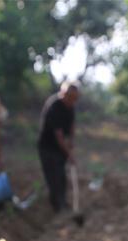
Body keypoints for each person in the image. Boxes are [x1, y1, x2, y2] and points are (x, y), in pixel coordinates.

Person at [37, 81, 79, 212]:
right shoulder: (54, 107)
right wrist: (69, 154)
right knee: (53, 177)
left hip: (59, 148)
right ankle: (57, 206)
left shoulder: (70, 107)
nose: (73, 101)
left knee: (61, 176)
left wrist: (71, 142)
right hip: (47, 147)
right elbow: (59, 135)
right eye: (71, 98)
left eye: (75, 99)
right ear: (64, 94)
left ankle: (63, 203)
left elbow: (71, 127)